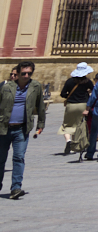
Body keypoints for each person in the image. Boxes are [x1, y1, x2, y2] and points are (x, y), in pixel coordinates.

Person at [0, 61, 45, 199]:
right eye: (23, 73)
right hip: (3, 128)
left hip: (22, 129)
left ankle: (16, 188)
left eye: (29, 73)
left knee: (19, 157)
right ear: (18, 73)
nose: (26, 76)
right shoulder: (6, 87)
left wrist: (41, 124)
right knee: (1, 159)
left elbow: (40, 105)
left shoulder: (35, 86)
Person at [59, 62, 95, 157]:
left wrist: (70, 96)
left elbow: (62, 94)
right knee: (79, 125)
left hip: (71, 105)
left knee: (67, 125)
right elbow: (94, 91)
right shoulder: (87, 82)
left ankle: (68, 141)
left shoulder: (69, 81)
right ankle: (75, 145)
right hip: (83, 105)